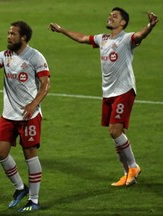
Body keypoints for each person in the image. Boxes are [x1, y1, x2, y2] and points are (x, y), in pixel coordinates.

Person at [49, 8, 159, 186]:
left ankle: (133, 166)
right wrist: (62, 30)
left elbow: (140, 36)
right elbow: (83, 38)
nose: (110, 17)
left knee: (114, 131)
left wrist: (150, 26)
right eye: (110, 15)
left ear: (123, 23)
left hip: (124, 91)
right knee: (118, 135)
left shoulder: (127, 38)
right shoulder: (103, 39)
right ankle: (127, 175)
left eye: (115, 16)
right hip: (108, 93)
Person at [0, 21, 50, 212]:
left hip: (29, 116)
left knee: (30, 157)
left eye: (13, 34)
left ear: (23, 37)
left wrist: (34, 104)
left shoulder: (35, 57)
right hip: (9, 115)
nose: (8, 37)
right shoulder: (5, 55)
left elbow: (45, 84)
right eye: (8, 33)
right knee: (0, 152)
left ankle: (34, 200)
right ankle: (20, 188)